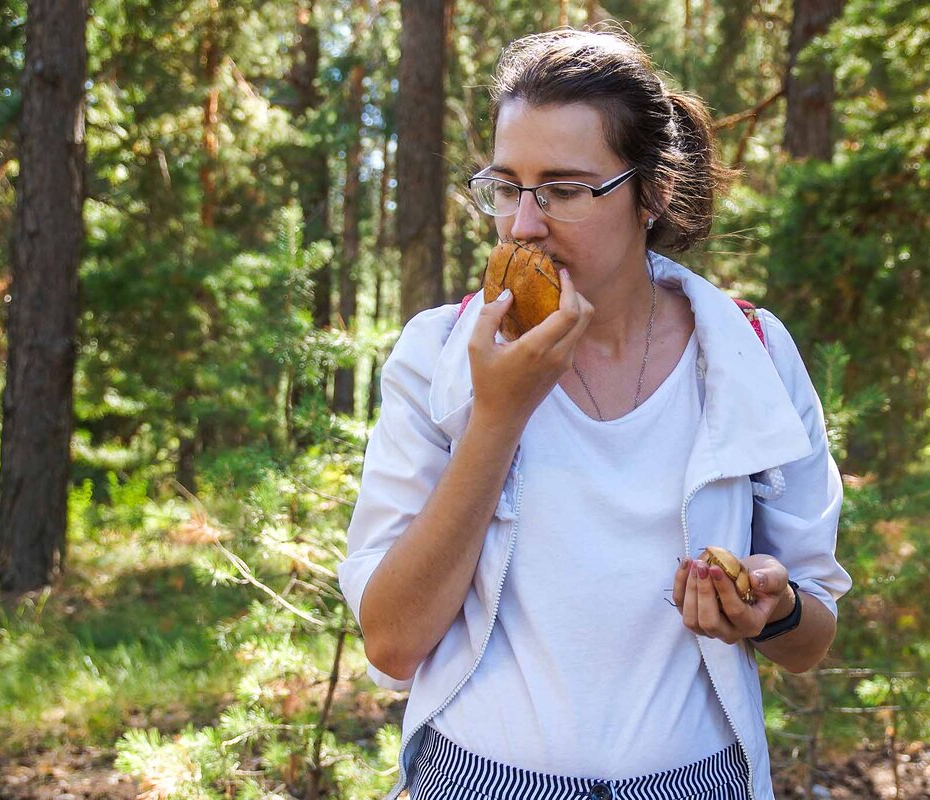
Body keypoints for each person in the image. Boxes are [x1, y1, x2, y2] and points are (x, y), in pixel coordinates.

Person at [338, 26, 851, 800]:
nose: (524, 225)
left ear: (653, 194)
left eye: (566, 190)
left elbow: (812, 641)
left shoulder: (750, 353)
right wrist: (499, 416)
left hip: (697, 780)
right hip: (478, 777)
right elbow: (393, 642)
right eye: (507, 187)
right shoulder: (440, 355)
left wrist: (771, 612)